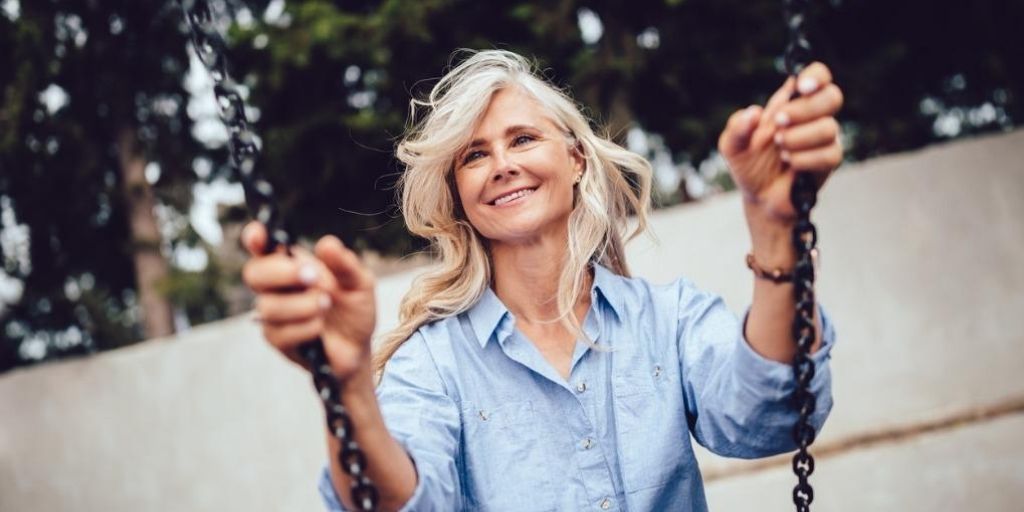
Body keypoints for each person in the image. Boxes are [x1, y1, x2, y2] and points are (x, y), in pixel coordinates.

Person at [241, 49, 844, 511]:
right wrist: (346, 389)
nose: (502, 165)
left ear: (575, 160)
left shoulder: (668, 319)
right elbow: (398, 503)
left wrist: (774, 233)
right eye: (474, 155)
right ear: (459, 195)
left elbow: (772, 413)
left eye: (523, 138)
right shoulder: (433, 365)